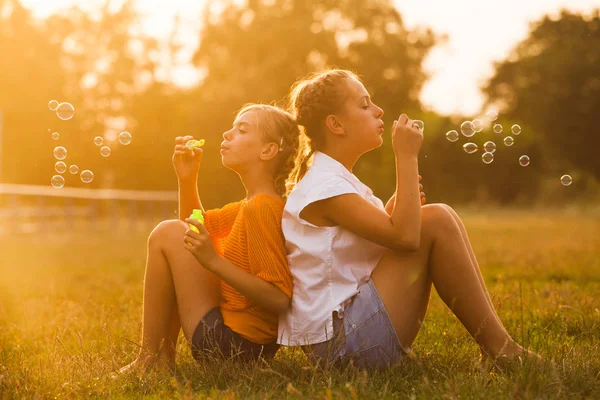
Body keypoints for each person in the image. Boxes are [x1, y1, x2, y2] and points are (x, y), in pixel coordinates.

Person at [278, 69, 540, 370]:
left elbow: (367, 243)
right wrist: (405, 156)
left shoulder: (335, 180)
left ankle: (496, 346)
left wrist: (389, 214)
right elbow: (405, 237)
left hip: (347, 337)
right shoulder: (325, 185)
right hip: (344, 347)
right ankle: (501, 349)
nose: (378, 111)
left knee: (442, 217)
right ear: (336, 124)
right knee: (436, 219)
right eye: (364, 105)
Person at [117, 104, 301, 374]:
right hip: (240, 344)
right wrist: (188, 179)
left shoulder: (261, 208)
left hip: (234, 346)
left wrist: (213, 261)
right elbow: (193, 227)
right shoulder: (249, 205)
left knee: (166, 232)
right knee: (173, 233)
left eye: (242, 129)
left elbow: (278, 298)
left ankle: (151, 359)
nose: (227, 134)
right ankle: (160, 359)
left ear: (268, 150)